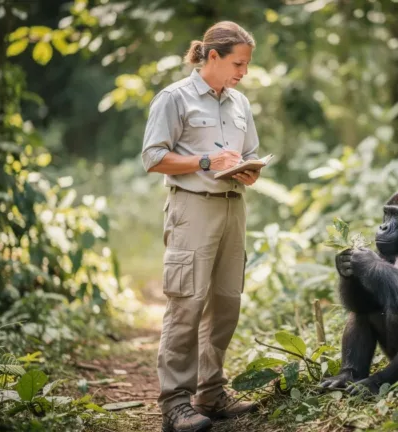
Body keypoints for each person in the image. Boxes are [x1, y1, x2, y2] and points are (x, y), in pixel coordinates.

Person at [141, 21, 262, 432]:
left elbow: (250, 153)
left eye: (245, 65)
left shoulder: (239, 102)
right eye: (238, 63)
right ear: (213, 56)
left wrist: (250, 172)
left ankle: (210, 393)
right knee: (187, 302)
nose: (243, 72)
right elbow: (153, 157)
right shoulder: (174, 98)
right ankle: (174, 402)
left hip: (233, 209)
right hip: (192, 208)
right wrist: (205, 162)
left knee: (227, 302)